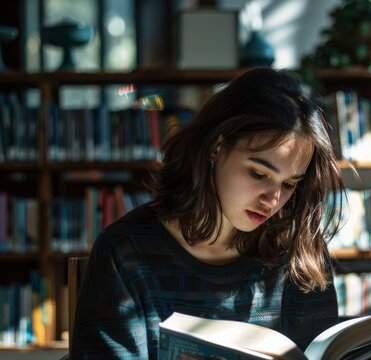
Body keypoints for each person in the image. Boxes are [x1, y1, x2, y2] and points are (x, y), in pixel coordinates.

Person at [71, 68, 346, 359]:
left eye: (290, 184)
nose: (274, 199)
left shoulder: (299, 255)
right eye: (259, 173)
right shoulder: (125, 252)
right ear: (216, 146)